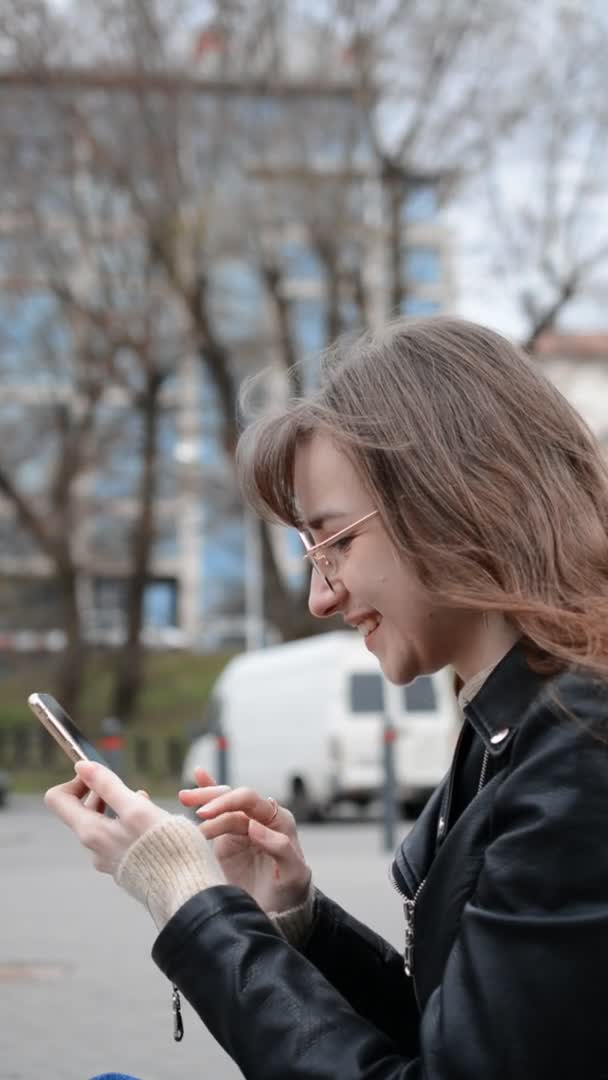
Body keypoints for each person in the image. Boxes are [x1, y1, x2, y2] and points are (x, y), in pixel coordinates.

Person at [46, 316, 608, 1079]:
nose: (319, 596)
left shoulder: (580, 750)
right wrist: (300, 923)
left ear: (459, 499)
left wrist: (192, 906)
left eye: (336, 542)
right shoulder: (528, 720)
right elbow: (464, 1037)